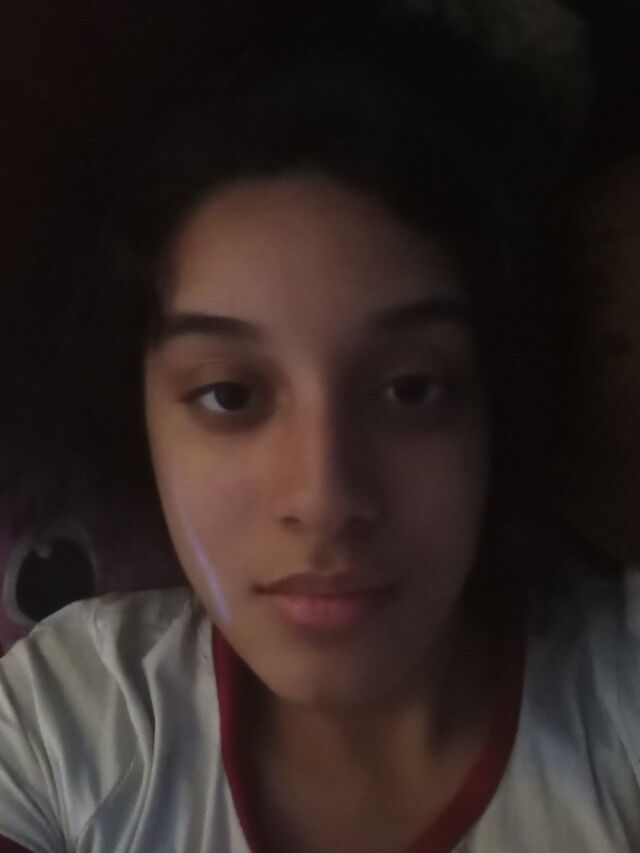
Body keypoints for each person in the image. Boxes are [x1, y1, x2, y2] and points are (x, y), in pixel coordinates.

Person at [0, 7, 636, 852]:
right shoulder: (61, 726)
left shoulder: (620, 701)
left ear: (499, 404)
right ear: (138, 417)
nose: (326, 497)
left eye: (411, 389)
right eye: (231, 394)